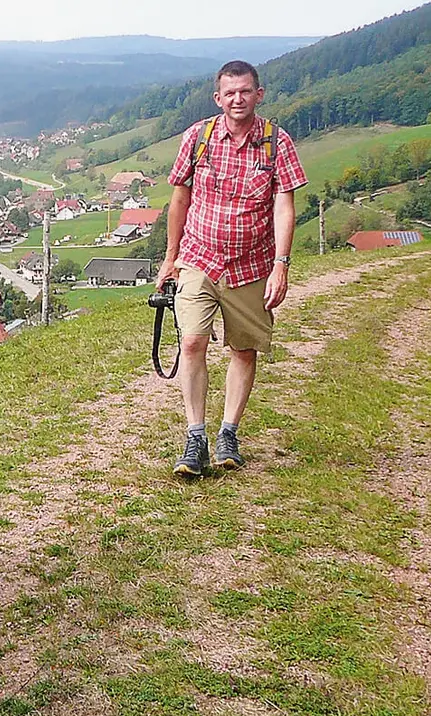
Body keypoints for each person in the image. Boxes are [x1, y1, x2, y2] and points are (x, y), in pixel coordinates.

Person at [154, 60, 308, 477]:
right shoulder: (198, 137)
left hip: (253, 265)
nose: (237, 99)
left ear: (259, 95)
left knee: (243, 349)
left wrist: (281, 266)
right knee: (191, 344)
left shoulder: (278, 143)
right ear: (217, 98)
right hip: (198, 258)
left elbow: (284, 206)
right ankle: (195, 437)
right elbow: (179, 200)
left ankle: (229, 433)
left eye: (245, 91)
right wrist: (170, 258)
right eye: (230, 93)